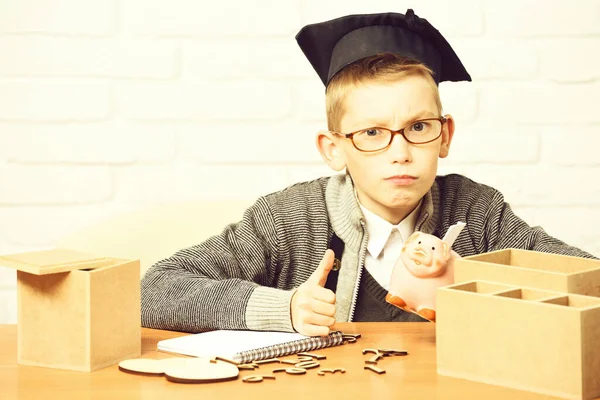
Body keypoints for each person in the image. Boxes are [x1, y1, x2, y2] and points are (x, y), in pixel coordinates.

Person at [140, 9, 596, 336]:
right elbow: (154, 291)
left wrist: (477, 286)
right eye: (373, 133)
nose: (399, 152)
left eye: (418, 127)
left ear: (445, 135)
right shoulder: (287, 220)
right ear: (334, 149)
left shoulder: (478, 213)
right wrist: (286, 308)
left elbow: (585, 278)